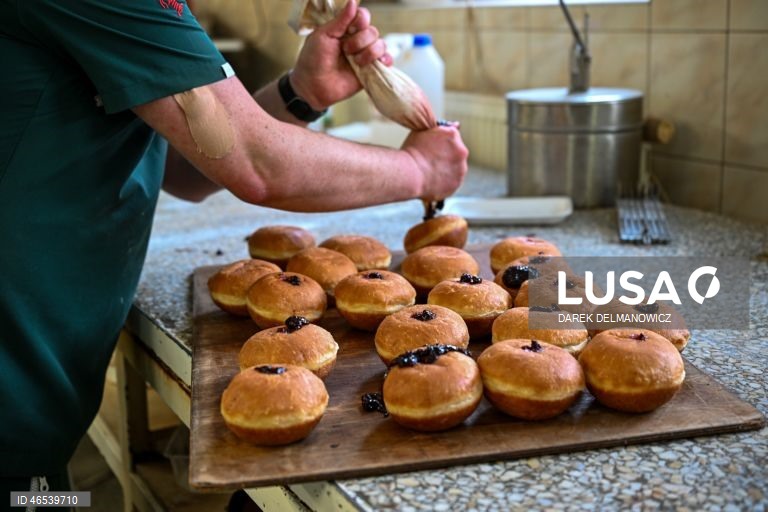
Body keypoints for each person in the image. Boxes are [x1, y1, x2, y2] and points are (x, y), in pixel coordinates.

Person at [0, 0, 468, 507]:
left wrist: (301, 94)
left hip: (40, 384)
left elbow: (187, 164)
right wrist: (420, 171)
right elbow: (254, 162)